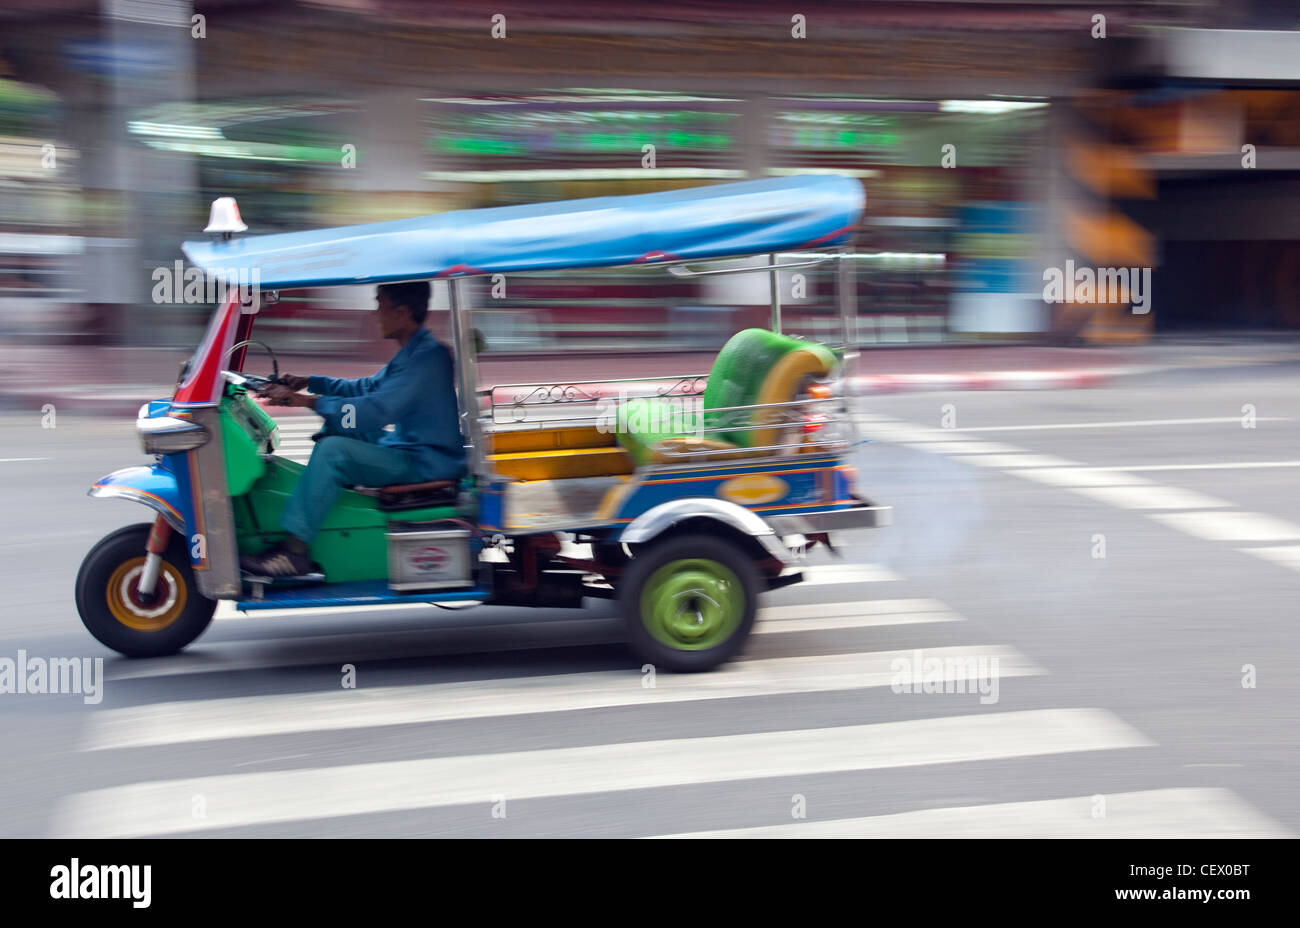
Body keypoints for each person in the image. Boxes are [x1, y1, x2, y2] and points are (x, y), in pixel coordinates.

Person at [239, 280, 466, 576]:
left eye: (380, 306)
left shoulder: (427, 358)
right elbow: (366, 388)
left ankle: (295, 551)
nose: (376, 314)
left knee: (334, 451)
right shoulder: (415, 352)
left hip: (425, 463)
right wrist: (310, 381)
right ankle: (332, 512)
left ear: (401, 311)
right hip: (407, 447)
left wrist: (307, 402)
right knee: (337, 431)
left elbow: (374, 412)